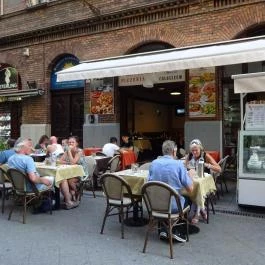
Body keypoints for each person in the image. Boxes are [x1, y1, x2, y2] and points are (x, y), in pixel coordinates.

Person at [148, 140, 193, 243]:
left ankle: (165, 229)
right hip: (172, 207)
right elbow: (190, 189)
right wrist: (189, 176)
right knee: (188, 198)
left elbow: (149, 184)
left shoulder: (153, 163)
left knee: (170, 198)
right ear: (174, 151)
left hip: (155, 205)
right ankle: (175, 230)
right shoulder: (178, 165)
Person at [185, 139, 221, 224]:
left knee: (198, 190)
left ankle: (197, 214)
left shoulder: (205, 155)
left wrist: (207, 165)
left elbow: (219, 168)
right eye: (192, 150)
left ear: (200, 149)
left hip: (205, 181)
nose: (194, 152)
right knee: (191, 188)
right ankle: (202, 211)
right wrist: (188, 168)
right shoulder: (190, 155)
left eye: (196, 150)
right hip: (194, 180)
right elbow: (184, 165)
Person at [59, 136, 85, 206]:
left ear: (76, 144)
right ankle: (69, 195)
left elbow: (73, 162)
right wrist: (68, 162)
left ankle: (76, 192)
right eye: (69, 142)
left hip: (81, 172)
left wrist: (69, 152)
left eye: (73, 142)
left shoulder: (79, 151)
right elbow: (60, 161)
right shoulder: (67, 151)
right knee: (62, 179)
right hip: (70, 172)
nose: (70, 144)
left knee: (69, 180)